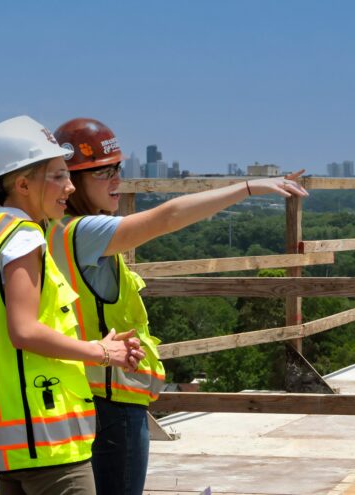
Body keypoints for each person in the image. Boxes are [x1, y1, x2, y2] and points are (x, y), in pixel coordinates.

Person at [47, 117, 309, 495]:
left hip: (85, 396)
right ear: (74, 182)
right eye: (104, 172)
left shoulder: (49, 231)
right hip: (111, 402)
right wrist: (247, 188)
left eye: (119, 168)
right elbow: (167, 217)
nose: (117, 179)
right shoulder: (83, 233)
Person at [0, 115, 145, 494]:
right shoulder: (24, 238)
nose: (70, 187)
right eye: (57, 175)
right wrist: (99, 351)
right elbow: (24, 331)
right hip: (48, 441)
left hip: (18, 444)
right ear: (22, 184)